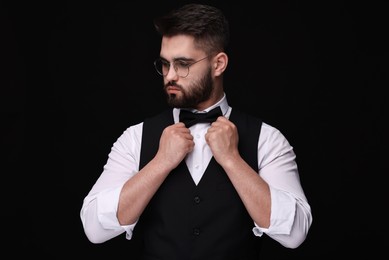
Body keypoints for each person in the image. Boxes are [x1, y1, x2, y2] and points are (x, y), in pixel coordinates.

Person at [80, 3, 313, 259]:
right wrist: (160, 163)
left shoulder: (267, 140)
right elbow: (94, 228)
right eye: (165, 64)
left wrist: (233, 161)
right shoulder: (135, 138)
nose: (170, 76)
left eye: (182, 64)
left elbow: (295, 234)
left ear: (218, 64)